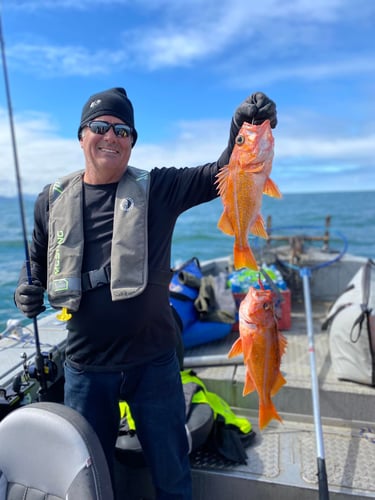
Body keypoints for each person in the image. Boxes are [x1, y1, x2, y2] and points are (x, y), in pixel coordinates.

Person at [15, 87, 277, 499]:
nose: (111, 136)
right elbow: (34, 263)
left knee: (173, 477)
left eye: (123, 131)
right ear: (82, 135)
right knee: (89, 480)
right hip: (85, 367)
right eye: (100, 127)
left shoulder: (160, 188)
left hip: (153, 363)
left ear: (132, 142)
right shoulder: (51, 201)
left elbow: (221, 174)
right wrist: (25, 290)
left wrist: (241, 127)